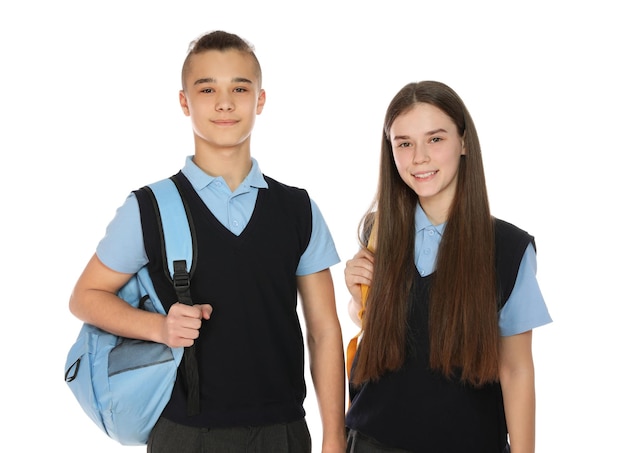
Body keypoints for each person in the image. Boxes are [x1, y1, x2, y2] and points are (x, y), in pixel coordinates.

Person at [69, 30, 346, 453]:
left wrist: (334, 436)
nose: (224, 102)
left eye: (239, 87)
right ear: (184, 102)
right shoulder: (149, 207)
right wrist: (159, 327)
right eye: (207, 88)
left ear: (261, 100)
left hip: (284, 431)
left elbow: (324, 330)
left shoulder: (298, 209)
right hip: (184, 433)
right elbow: (85, 297)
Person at [343, 80, 552, 453]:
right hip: (370, 442)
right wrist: (356, 293)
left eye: (435, 139)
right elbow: (378, 341)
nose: (419, 157)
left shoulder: (508, 249)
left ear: (464, 142)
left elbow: (516, 370)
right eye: (404, 144)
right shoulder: (378, 234)